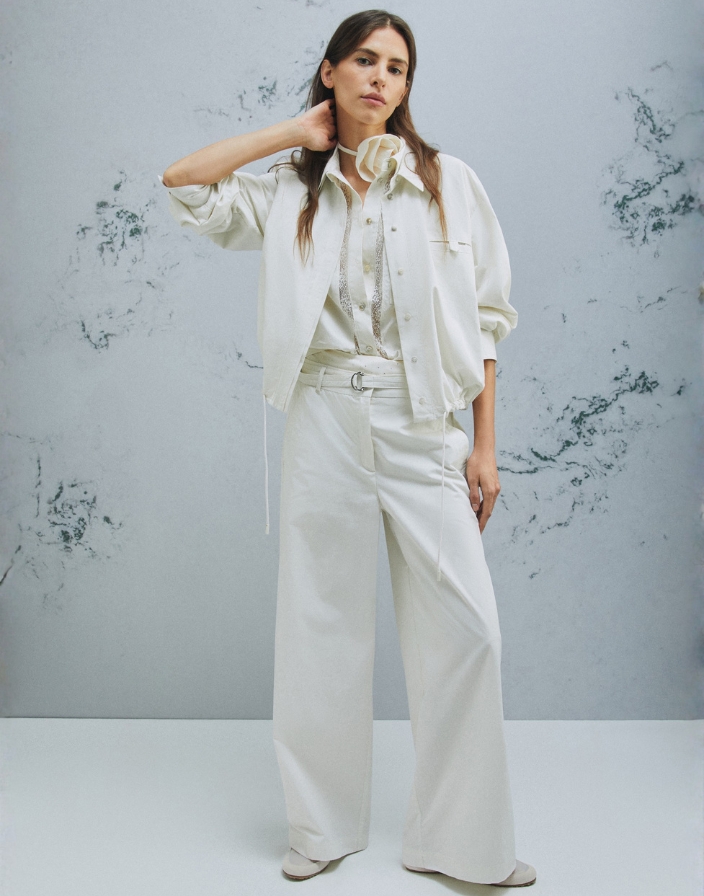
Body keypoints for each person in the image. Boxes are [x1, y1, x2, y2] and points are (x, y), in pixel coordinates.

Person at [159, 9, 536, 887]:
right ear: (330, 71)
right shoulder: (289, 188)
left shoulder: (449, 183)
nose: (381, 79)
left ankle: (463, 844)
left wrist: (483, 447)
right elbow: (183, 182)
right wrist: (294, 135)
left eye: (397, 68)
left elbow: (488, 319)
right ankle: (320, 829)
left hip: (422, 419)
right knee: (320, 625)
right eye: (365, 60)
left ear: (407, 87)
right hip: (324, 415)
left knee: (470, 631)